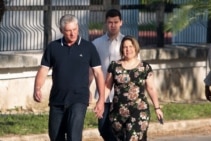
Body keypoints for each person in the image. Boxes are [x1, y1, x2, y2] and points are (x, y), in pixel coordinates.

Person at [33, 14, 105, 141]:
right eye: (68, 31)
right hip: (57, 99)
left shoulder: (88, 47)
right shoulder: (53, 47)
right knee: (55, 136)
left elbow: (98, 73)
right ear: (61, 31)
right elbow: (43, 70)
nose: (72, 33)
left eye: (75, 29)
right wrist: (37, 88)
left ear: (78, 28)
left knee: (74, 136)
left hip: (79, 98)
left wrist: (101, 100)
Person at [105, 35, 164, 141]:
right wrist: (100, 103)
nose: (128, 49)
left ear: (136, 48)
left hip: (139, 110)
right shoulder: (114, 66)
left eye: (131, 46)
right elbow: (107, 87)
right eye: (125, 47)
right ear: (122, 49)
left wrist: (157, 108)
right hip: (118, 114)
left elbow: (151, 88)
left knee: (132, 138)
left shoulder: (144, 67)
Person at [89, 9, 124, 141]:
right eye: (110, 22)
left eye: (116, 22)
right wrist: (88, 88)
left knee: (120, 128)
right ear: (105, 23)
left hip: (122, 94)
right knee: (103, 127)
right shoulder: (96, 44)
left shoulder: (127, 43)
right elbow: (91, 69)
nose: (113, 25)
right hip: (103, 93)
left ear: (121, 22)